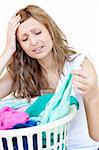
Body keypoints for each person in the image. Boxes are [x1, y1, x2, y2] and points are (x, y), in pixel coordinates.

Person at [0, 4, 99, 150]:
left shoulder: (79, 65)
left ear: (50, 29)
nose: (33, 42)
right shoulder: (22, 72)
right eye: (25, 39)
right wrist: (8, 50)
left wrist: (93, 96)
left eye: (38, 32)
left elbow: (97, 136)